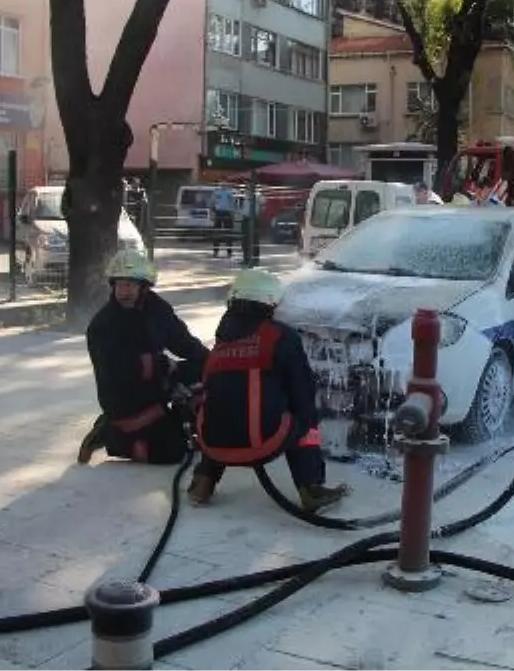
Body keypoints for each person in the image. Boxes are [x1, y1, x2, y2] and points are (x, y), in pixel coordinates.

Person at [187, 268, 350, 513]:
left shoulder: (221, 343)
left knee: (224, 406)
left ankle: (202, 482)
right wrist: (304, 418)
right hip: (262, 444)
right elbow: (302, 391)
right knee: (304, 417)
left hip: (213, 445)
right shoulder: (280, 336)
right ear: (271, 302)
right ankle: (311, 488)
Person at [79, 250, 210, 465]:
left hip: (156, 383)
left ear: (144, 287)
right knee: (172, 452)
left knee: (204, 371)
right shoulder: (102, 326)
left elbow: (182, 341)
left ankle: (190, 425)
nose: (124, 291)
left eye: (130, 285)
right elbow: (116, 372)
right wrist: (161, 365)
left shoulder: (157, 309)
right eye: (119, 284)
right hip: (127, 401)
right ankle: (111, 436)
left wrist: (212, 361)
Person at [212, 186, 236, 258]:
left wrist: (233, 214)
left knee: (228, 233)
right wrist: (212, 213)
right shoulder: (216, 192)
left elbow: (233, 203)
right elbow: (212, 202)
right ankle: (215, 251)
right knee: (216, 233)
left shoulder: (230, 192)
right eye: (222, 182)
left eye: (225, 182)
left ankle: (229, 252)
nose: (223, 184)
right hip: (218, 212)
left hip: (227, 213)